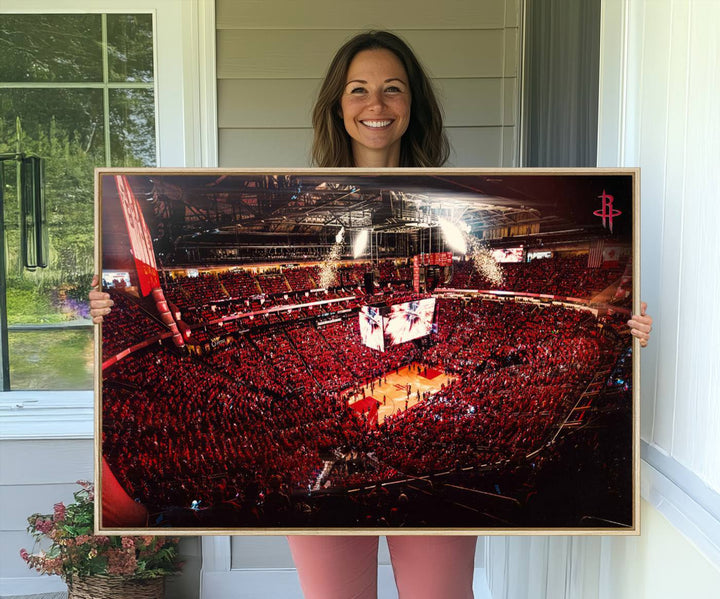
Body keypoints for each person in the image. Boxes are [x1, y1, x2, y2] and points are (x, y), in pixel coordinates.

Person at [89, 30, 653, 599]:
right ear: (338, 104)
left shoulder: (453, 207)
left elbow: (494, 269)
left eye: (392, 89)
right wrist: (103, 311)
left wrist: (625, 323)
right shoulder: (307, 203)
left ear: (413, 105)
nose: (376, 104)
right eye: (359, 89)